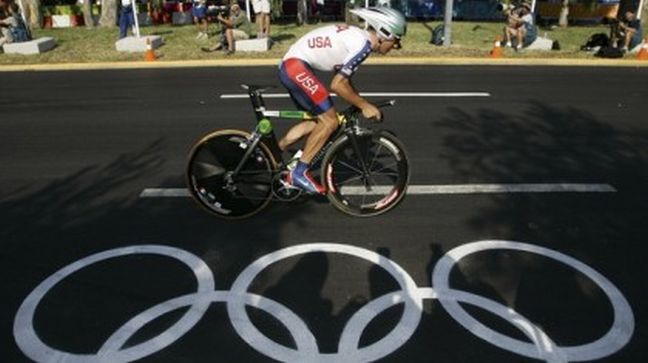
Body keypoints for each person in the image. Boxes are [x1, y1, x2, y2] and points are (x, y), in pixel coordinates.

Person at [277, 7, 406, 194]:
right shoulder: (363, 45)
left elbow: (345, 80)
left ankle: (272, 153)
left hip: (292, 66)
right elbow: (337, 85)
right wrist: (363, 105)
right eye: (396, 40)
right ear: (384, 33)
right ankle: (299, 173)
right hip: (295, 67)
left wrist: (360, 103)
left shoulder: (359, 38)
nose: (396, 46)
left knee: (317, 123)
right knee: (330, 121)